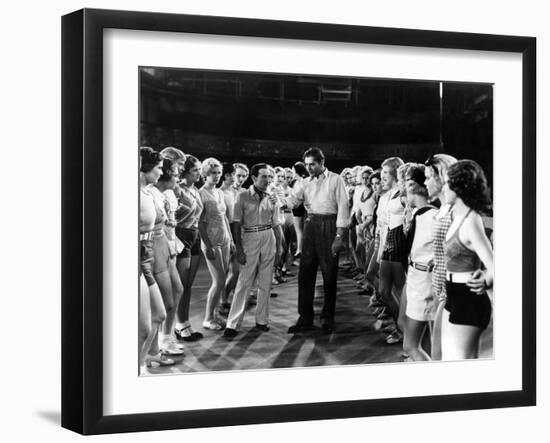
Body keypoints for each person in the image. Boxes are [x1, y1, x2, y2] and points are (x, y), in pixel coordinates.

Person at [285, 147, 350, 334]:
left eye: (312, 164)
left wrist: (339, 236)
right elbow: (291, 202)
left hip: (330, 225)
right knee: (305, 274)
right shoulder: (304, 182)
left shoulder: (336, 180)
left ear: (322, 163)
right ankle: (304, 319)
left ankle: (327, 318)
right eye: (306, 165)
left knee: (329, 275)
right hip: (311, 224)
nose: (309, 168)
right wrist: (276, 197)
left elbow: (344, 209)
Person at [441, 160, 493, 360]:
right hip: (452, 293)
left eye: (446, 183)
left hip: (469, 298)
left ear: (459, 186)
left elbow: (495, 264)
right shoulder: (455, 215)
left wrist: (486, 279)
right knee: (448, 361)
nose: (443, 187)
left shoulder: (471, 221)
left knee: (461, 368)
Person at [223, 163, 281, 339]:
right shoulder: (242, 196)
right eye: (263, 176)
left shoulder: (272, 197)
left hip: (268, 235)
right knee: (244, 281)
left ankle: (262, 320)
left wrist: (279, 247)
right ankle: (232, 324)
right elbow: (236, 223)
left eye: (269, 176)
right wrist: (239, 248)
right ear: (254, 178)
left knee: (266, 282)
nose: (267, 180)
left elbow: (276, 223)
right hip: (249, 237)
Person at [139, 147, 175, 369]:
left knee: (159, 314)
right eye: (159, 168)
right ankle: (138, 368)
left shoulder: (148, 192)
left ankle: (142, 362)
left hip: (147, 254)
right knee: (144, 326)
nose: (162, 173)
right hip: (137, 258)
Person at [402, 164, 438, 361]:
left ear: (414, 186)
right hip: (414, 276)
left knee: (410, 345)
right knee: (412, 336)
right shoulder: (416, 214)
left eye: (407, 184)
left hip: (425, 281)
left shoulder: (434, 215)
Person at [150, 157, 185, 356]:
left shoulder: (169, 192)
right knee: (163, 302)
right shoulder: (152, 192)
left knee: (177, 290)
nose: (179, 174)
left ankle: (166, 337)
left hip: (168, 243)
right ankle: (153, 348)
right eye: (177, 169)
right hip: (157, 246)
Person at [424, 153, 457, 359]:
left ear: (441, 177)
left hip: (448, 292)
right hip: (436, 287)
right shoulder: (443, 208)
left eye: (428, 177)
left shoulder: (455, 210)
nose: (425, 182)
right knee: (435, 352)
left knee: (439, 356)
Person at [198, 157, 234, 330]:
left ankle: (214, 315)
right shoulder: (201, 193)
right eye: (213, 173)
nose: (217, 176)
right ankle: (207, 319)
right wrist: (208, 244)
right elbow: (200, 223)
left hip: (225, 239)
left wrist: (232, 240)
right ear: (205, 173)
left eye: (219, 173)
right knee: (219, 281)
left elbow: (224, 218)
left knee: (223, 278)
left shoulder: (219, 192)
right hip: (211, 241)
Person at [173, 154, 204, 342]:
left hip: (195, 237)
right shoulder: (178, 189)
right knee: (181, 287)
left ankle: (185, 323)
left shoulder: (195, 189)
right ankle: (180, 325)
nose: (199, 173)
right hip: (181, 236)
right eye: (195, 170)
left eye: (200, 170)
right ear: (185, 171)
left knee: (188, 286)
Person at [219, 162, 238, 315]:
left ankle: (225, 296)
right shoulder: (220, 192)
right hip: (224, 231)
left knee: (236, 270)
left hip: (237, 230)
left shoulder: (235, 192)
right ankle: (222, 301)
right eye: (231, 174)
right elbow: (222, 218)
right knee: (224, 270)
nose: (233, 178)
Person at [291, 161, 308, 261]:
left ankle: (299, 249)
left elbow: (298, 197)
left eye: (293, 170)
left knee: (299, 229)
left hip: (298, 207)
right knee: (299, 229)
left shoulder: (301, 181)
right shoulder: (298, 181)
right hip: (297, 207)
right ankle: (299, 249)